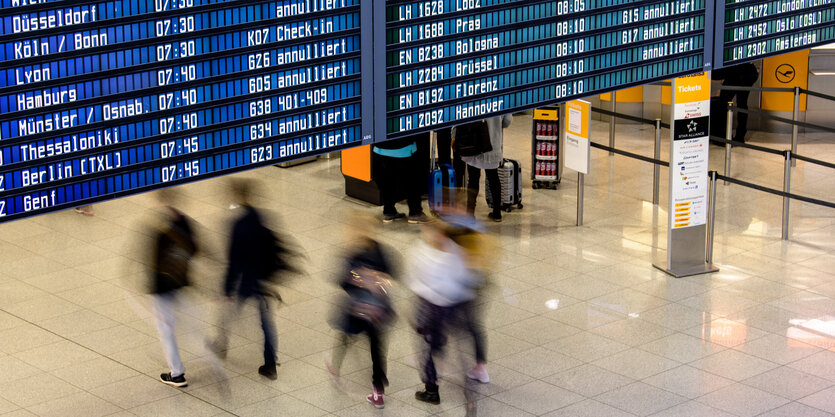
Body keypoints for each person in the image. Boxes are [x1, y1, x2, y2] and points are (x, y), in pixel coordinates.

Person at [212, 179, 284, 380]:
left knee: (228, 313)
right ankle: (270, 363)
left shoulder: (238, 225)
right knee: (266, 323)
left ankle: (221, 344)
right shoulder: (263, 218)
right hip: (262, 280)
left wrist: (227, 288)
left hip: (245, 280)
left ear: (237, 197)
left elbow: (234, 260)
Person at [326, 213, 395, 409]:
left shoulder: (352, 254)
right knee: (376, 348)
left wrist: (358, 279)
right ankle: (378, 390)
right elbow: (392, 273)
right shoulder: (380, 250)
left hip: (358, 309)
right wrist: (378, 280)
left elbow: (341, 281)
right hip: (378, 311)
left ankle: (335, 367)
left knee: (346, 335)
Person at [407, 220, 478, 405]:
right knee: (457, 343)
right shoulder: (455, 251)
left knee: (427, 348)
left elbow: (415, 281)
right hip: (454, 305)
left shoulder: (421, 251)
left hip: (432, 307)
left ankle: (431, 390)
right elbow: (466, 278)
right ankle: (466, 391)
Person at [148, 189, 198, 388]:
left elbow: (154, 259)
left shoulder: (160, 227)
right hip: (180, 281)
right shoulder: (185, 222)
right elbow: (195, 248)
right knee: (182, 321)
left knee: (165, 329)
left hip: (163, 287)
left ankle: (176, 373)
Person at [454, 115, 513, 222]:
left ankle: (470, 213)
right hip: (492, 145)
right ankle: (497, 213)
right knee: (493, 177)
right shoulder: (500, 97)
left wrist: (454, 135)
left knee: (473, 178)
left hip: (473, 143)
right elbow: (507, 122)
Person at [372, 133, 430, 224]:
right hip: (404, 147)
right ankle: (415, 213)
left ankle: (389, 211)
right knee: (412, 181)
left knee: (386, 181)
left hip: (380, 148)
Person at [713, 63, 759, 143]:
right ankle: (740, 136)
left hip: (736, 71)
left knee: (723, 102)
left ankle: (724, 136)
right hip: (749, 72)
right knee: (742, 103)